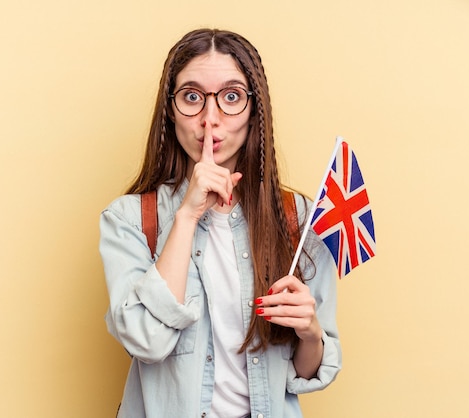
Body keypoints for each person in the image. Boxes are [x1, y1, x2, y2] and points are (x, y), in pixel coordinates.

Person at [99, 28, 341, 418]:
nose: (210, 120)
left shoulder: (297, 219)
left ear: (254, 111)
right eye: (192, 97)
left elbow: (306, 372)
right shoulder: (129, 220)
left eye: (231, 97)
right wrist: (188, 215)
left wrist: (309, 331)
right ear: (170, 109)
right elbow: (147, 341)